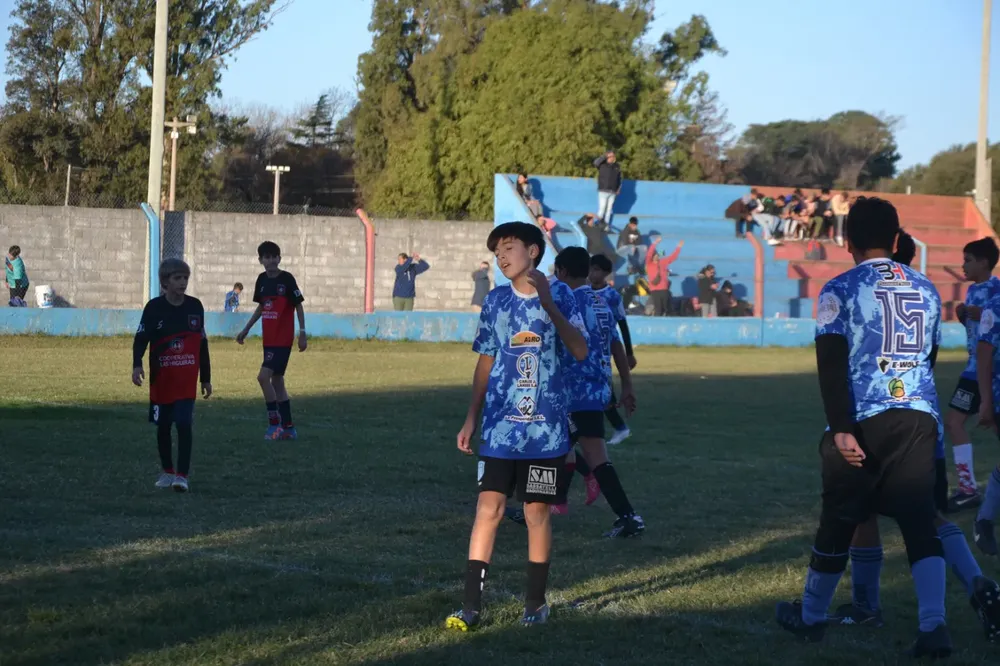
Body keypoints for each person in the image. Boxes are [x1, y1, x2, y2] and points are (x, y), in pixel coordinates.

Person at [775, 197, 951, 658]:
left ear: (847, 240)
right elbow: (928, 360)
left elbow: (830, 364)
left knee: (840, 516)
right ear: (896, 240)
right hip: (918, 417)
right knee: (918, 521)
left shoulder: (840, 288)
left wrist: (840, 427)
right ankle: (934, 626)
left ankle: (811, 616)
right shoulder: (928, 288)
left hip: (864, 416)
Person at [827, 237, 1000, 645]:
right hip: (925, 421)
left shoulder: (862, 292)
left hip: (877, 418)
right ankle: (978, 582)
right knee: (930, 516)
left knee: (862, 512)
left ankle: (869, 607)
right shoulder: (924, 291)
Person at [447, 221, 588, 631]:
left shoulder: (561, 294)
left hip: (545, 433)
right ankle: (470, 607)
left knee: (535, 513)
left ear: (534, 252)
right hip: (498, 431)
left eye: (508, 248)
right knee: (487, 508)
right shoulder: (494, 301)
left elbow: (579, 350)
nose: (501, 257)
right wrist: (471, 417)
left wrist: (549, 302)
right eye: (496, 252)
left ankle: (535, 604)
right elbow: (485, 361)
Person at [551, 247, 641, 536]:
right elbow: (615, 343)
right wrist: (626, 384)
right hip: (598, 387)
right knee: (560, 446)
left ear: (562, 271)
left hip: (574, 389)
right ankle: (544, 505)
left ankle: (627, 516)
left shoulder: (566, 299)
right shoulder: (600, 302)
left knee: (579, 452)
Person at [132, 259, 212, 493]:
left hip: (186, 381)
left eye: (185, 278)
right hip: (162, 380)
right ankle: (167, 471)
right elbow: (140, 340)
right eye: (178, 278)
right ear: (165, 282)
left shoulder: (195, 307)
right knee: (164, 425)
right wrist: (137, 365)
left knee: (185, 423)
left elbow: (202, 344)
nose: (183, 282)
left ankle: (182, 475)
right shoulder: (154, 308)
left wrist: (205, 378)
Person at [945, 238, 1000, 511]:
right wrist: (963, 316)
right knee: (954, 423)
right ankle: (968, 488)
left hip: (991, 370)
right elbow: (976, 329)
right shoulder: (971, 291)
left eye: (968, 260)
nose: (963, 265)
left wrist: (983, 313)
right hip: (972, 369)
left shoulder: (997, 290)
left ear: (984, 263)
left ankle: (972, 490)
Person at [235, 241, 307, 440]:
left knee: (262, 377)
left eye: (274, 256)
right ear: (260, 260)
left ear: (279, 259)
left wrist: (302, 332)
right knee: (277, 381)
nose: (271, 260)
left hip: (282, 340)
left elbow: (298, 306)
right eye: (267, 257)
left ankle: (274, 425)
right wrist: (246, 329)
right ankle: (289, 428)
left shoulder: (287, 279)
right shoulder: (261, 280)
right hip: (269, 339)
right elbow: (261, 307)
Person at [590, 254, 636, 446]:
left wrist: (629, 352)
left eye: (597, 270)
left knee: (603, 387)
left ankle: (620, 427)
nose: (592, 273)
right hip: (590, 345)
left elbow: (622, 323)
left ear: (605, 273)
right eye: (591, 269)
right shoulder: (583, 292)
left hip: (607, 345)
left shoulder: (612, 296)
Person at [645, 237, 683, 316]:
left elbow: (673, 257)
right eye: (654, 255)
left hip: (664, 289)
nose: (656, 257)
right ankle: (657, 326)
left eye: (657, 255)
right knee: (658, 309)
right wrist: (655, 243)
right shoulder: (649, 264)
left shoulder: (663, 262)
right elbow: (649, 253)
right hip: (654, 289)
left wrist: (678, 247)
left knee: (666, 308)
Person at [593, 151, 622, 227]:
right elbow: (595, 163)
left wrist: (618, 188)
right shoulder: (602, 164)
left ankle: (606, 225)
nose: (613, 157)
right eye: (611, 156)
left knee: (609, 210)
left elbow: (619, 178)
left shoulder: (617, 166)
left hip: (612, 191)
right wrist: (604, 156)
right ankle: (598, 223)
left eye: (613, 156)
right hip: (603, 190)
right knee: (602, 208)